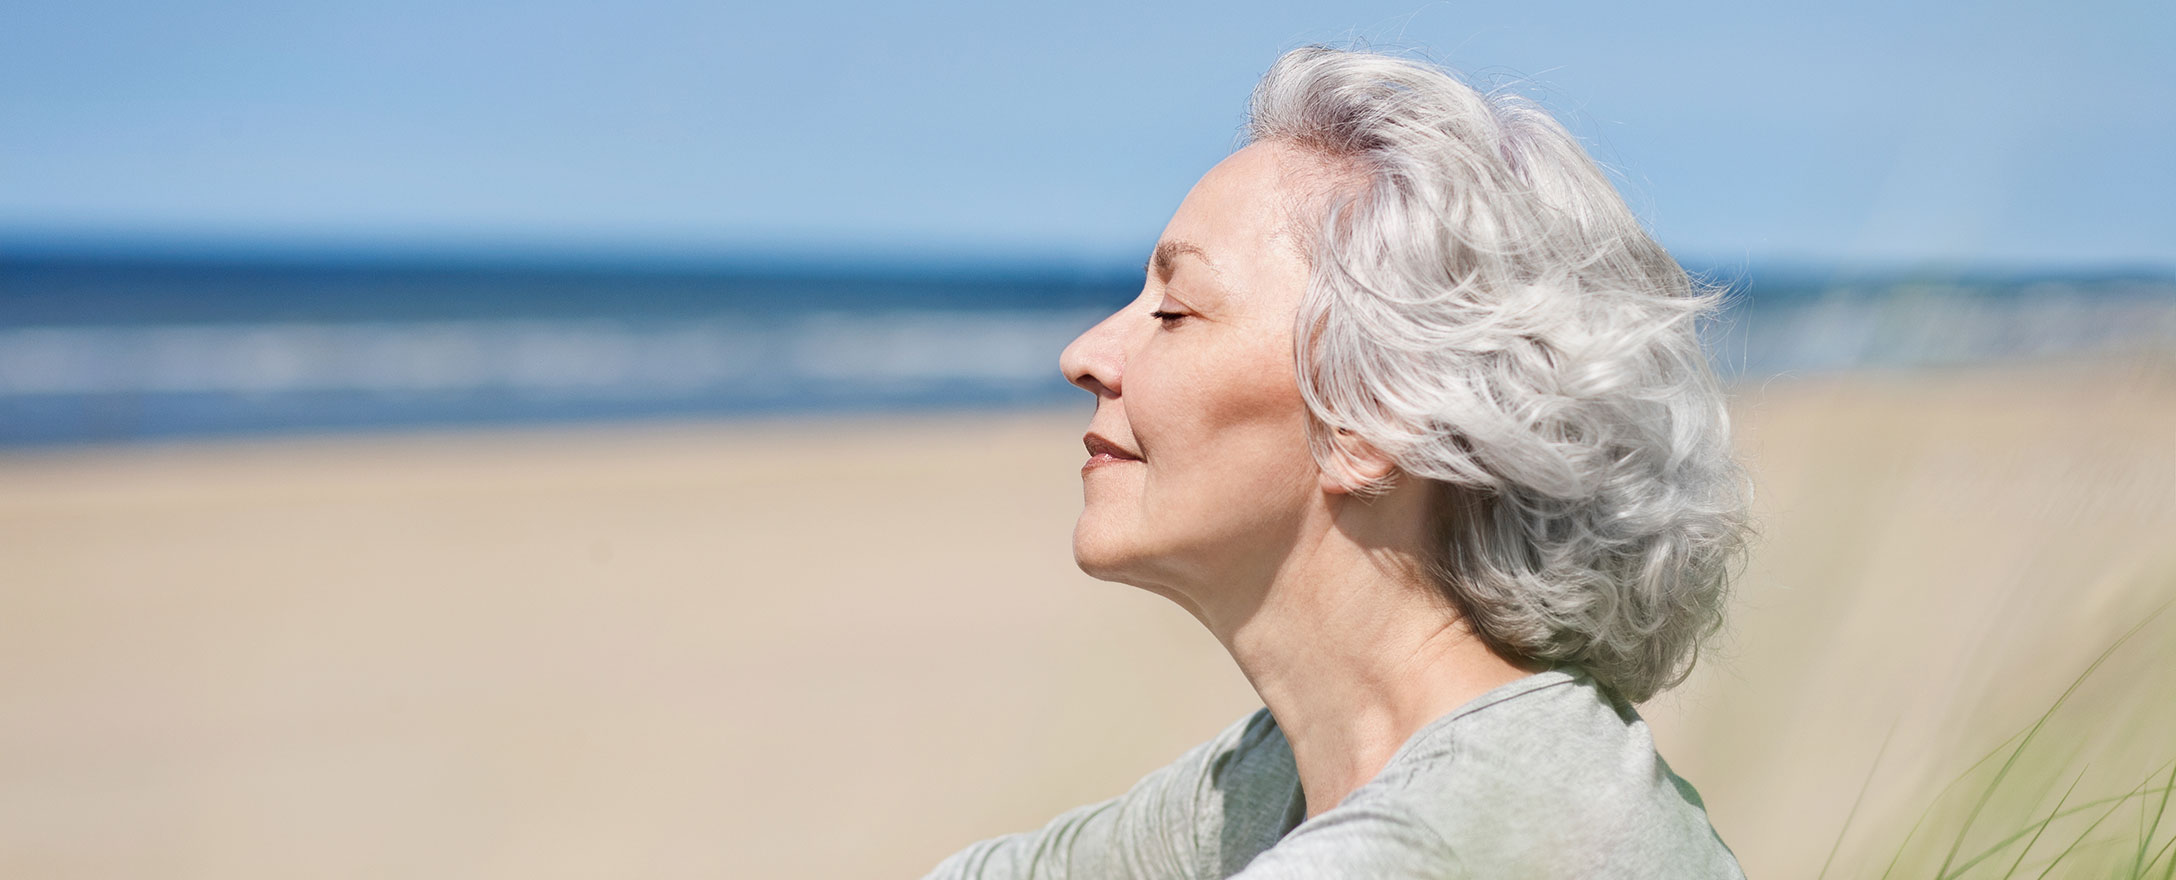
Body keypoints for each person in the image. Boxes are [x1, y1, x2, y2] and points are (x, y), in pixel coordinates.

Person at [923, 45, 1753, 879]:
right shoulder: (1286, 778)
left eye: (1174, 311)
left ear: (1372, 417)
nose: (1086, 354)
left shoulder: (1448, 840)